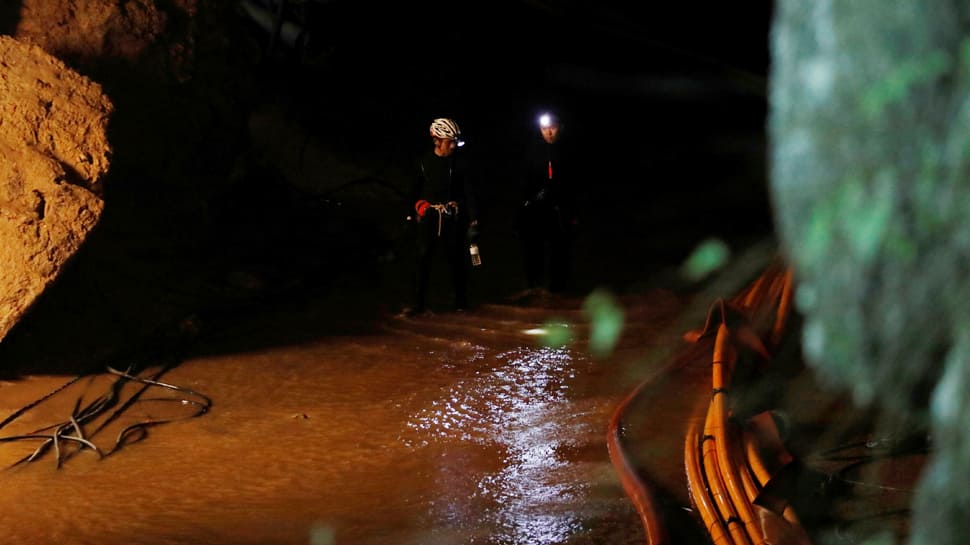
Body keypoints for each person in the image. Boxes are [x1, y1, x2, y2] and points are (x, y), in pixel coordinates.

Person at [400, 117, 480, 317]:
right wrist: (413, 212)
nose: (453, 145)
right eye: (449, 141)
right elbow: (412, 192)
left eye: (455, 141)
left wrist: (473, 218)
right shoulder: (423, 162)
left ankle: (461, 303)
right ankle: (417, 305)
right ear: (436, 140)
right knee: (422, 260)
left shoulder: (459, 164)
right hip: (428, 219)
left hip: (452, 219)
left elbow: (468, 192)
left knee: (457, 262)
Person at [515, 110, 579, 295]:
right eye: (545, 128)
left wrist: (572, 212)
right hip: (537, 210)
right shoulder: (532, 151)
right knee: (533, 250)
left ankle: (558, 291)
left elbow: (575, 184)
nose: (549, 132)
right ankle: (533, 286)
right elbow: (524, 181)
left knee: (561, 253)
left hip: (561, 211)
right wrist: (527, 204)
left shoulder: (568, 151)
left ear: (560, 128)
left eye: (552, 128)